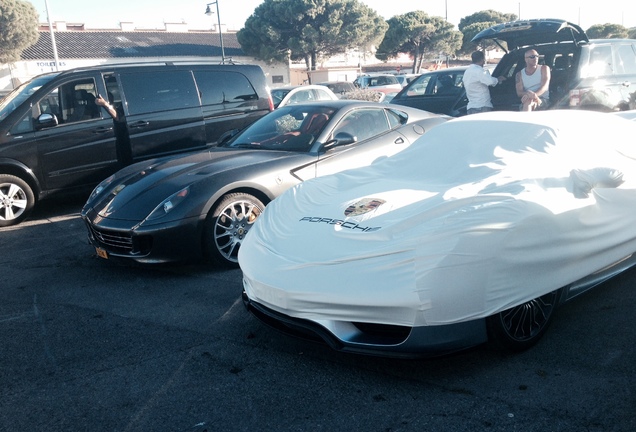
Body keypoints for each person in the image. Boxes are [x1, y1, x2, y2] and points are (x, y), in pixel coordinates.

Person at [464, 50, 505, 115]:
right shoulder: (479, 71)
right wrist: (498, 79)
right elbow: (490, 81)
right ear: (482, 59)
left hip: (471, 107)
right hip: (482, 106)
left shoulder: (467, 72)